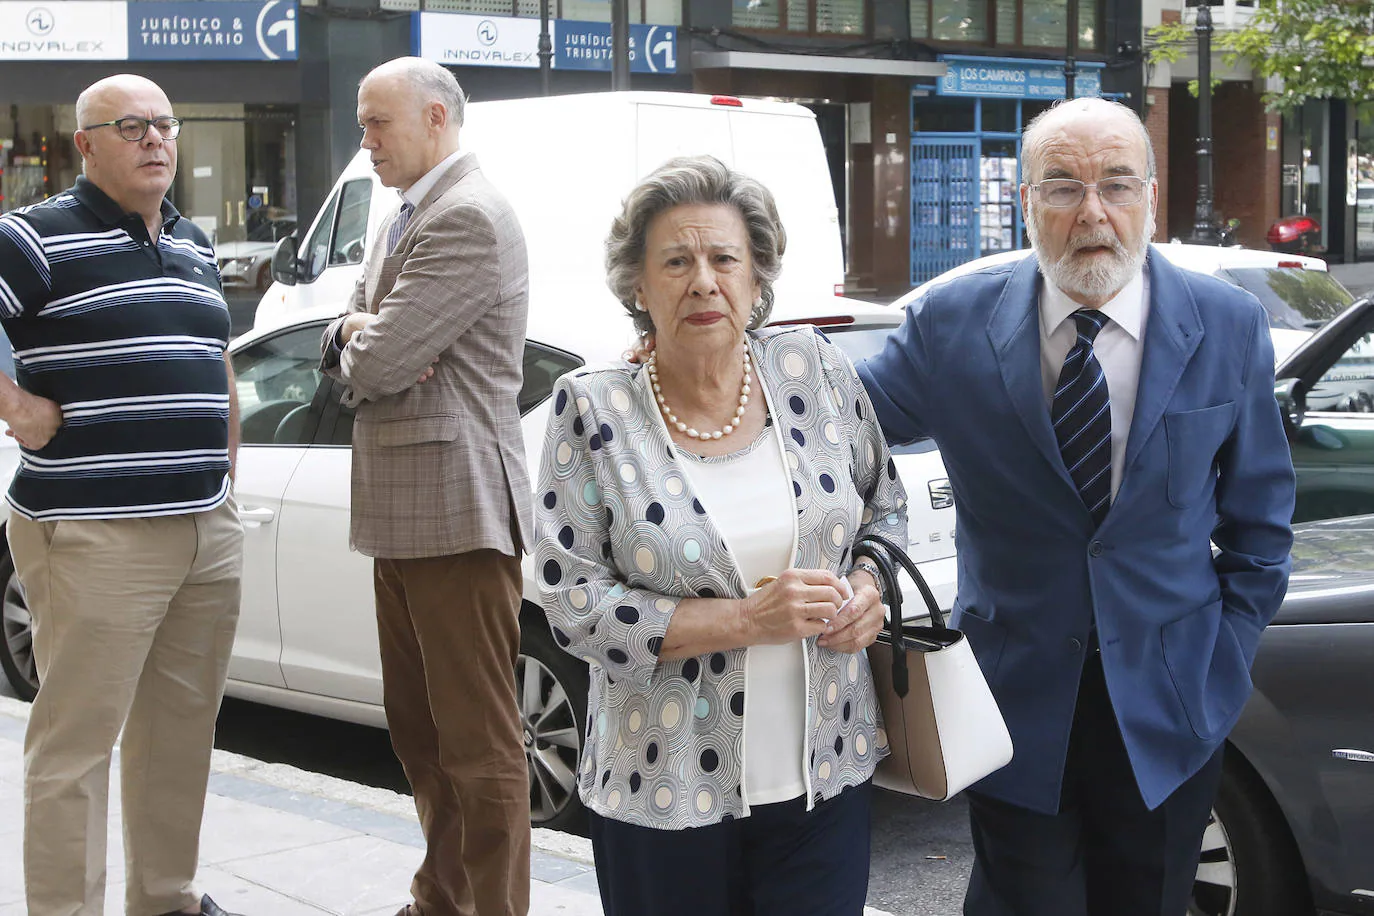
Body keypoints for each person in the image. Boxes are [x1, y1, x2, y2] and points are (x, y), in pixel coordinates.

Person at [858, 97, 1296, 916]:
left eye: (1118, 185)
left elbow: (1262, 530)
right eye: (1062, 187)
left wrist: (1221, 666)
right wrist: (701, 355)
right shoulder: (951, 324)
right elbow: (831, 424)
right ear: (1026, 202)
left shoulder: (1228, 326)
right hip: (1012, 697)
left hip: (1172, 705)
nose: (1093, 212)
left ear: (1152, 199)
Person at [535, 155, 907, 916]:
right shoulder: (593, 409)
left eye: (724, 258)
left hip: (824, 778)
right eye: (676, 261)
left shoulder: (814, 370)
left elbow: (884, 512)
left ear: (756, 278)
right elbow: (572, 600)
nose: (703, 280)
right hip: (662, 790)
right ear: (637, 286)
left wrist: (870, 591)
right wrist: (746, 621)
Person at [0, 75, 244, 916]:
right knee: (76, 747)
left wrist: (227, 474)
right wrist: (19, 407)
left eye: (166, 125)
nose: (155, 140)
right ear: (86, 145)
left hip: (204, 527)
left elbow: (215, 363)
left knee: (178, 737)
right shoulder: (34, 237)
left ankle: (165, 899)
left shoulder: (193, 242)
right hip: (96, 532)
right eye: (131, 126)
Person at [319, 57, 533, 916]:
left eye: (378, 123)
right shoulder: (407, 212)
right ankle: (441, 898)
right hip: (405, 517)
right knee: (419, 738)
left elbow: (378, 359)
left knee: (479, 749)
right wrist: (354, 330)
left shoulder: (469, 217)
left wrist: (363, 339)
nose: (364, 140)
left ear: (438, 118)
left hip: (459, 511)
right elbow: (356, 345)